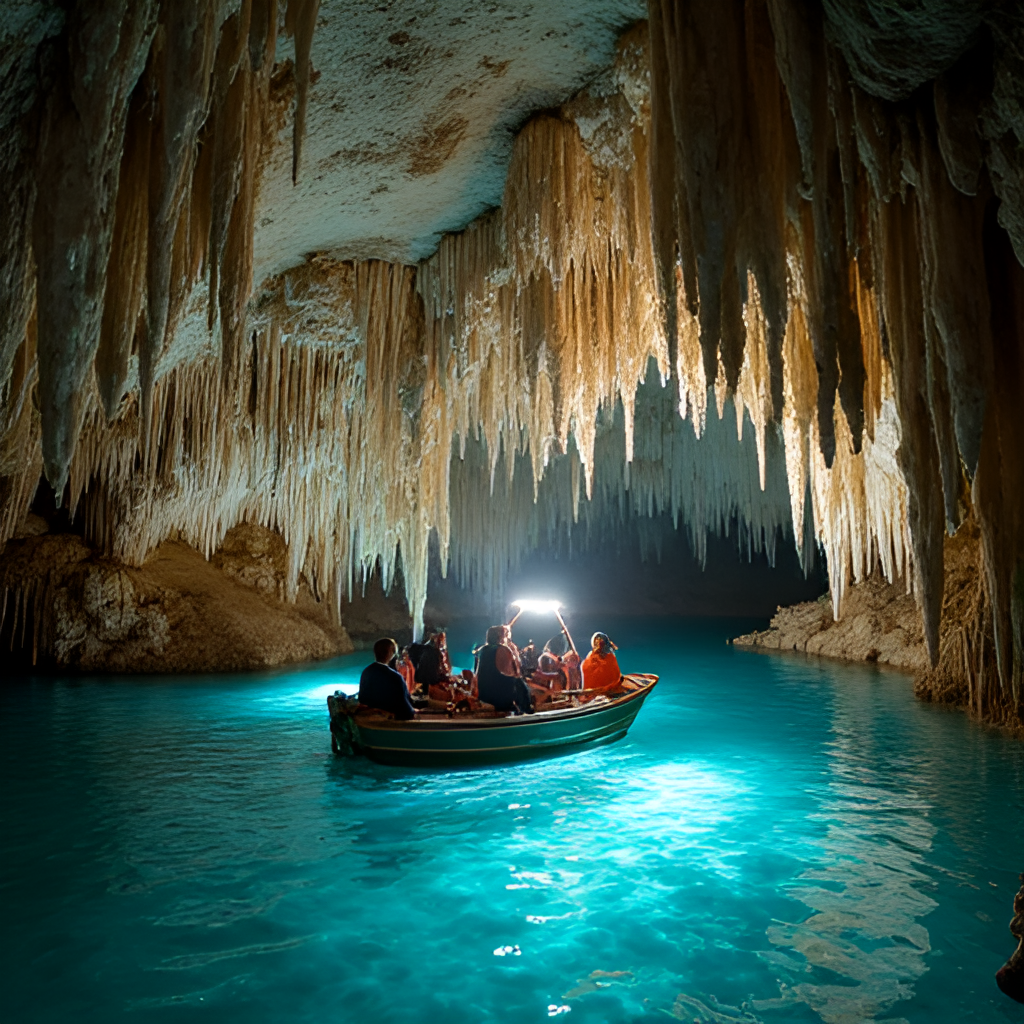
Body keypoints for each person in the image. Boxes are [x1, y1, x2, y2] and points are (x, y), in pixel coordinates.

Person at [475, 624, 534, 714]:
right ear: (502, 636)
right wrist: (515, 653)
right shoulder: (503, 649)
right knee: (519, 683)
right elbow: (516, 673)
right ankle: (526, 710)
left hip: (484, 693)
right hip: (500, 696)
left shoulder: (482, 650)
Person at [358, 638, 417, 719]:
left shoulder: (366, 672)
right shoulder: (395, 677)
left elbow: (362, 698)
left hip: (368, 715)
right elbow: (406, 710)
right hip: (390, 719)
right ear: (390, 653)